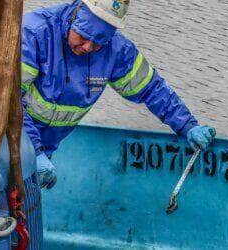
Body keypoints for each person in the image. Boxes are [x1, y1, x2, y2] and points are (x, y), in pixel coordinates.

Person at [21, 0, 216, 189]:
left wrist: (188, 125)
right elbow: (8, 101)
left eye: (98, 42)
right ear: (75, 13)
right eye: (83, 35)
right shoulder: (34, 33)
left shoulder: (115, 50)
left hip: (43, 152)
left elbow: (152, 89)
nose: (88, 47)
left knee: (24, 214)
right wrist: (33, 151)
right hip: (7, 141)